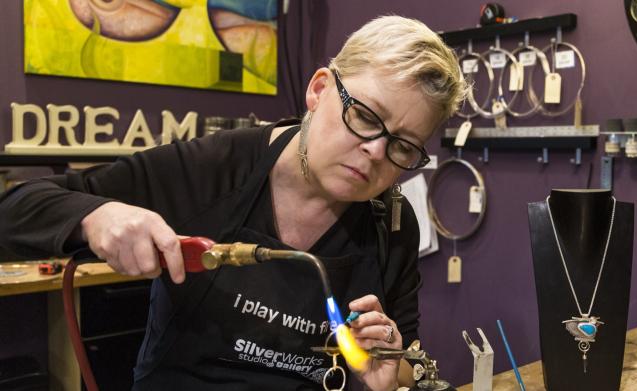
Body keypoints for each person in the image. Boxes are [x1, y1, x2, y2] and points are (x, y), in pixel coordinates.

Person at [0, 15, 466, 391]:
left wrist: (388, 369)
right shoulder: (212, 168)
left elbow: (405, 361)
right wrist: (98, 215)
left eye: (404, 146)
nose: (377, 153)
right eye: (365, 116)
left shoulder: (394, 221)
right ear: (320, 90)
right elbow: (16, 207)